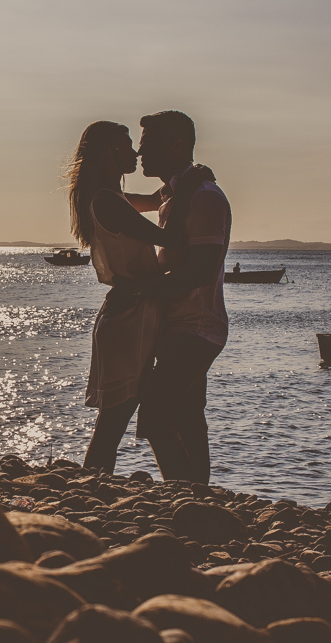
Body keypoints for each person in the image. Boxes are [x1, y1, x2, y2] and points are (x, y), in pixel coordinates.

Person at [67, 121, 211, 475]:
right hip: (128, 316)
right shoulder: (107, 202)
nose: (136, 153)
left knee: (130, 417)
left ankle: (180, 488)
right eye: (127, 145)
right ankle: (96, 491)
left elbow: (159, 200)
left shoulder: (112, 199)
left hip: (135, 311)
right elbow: (174, 237)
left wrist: (183, 184)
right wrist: (191, 183)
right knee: (114, 422)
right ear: (110, 154)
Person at [113, 110, 233, 484]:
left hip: (197, 327)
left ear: (176, 146)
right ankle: (196, 495)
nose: (140, 154)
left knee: (155, 414)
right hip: (177, 324)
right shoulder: (174, 194)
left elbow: (200, 270)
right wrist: (97, 190)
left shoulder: (205, 198)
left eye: (147, 145)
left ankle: (183, 493)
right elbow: (130, 203)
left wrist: (140, 290)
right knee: (187, 416)